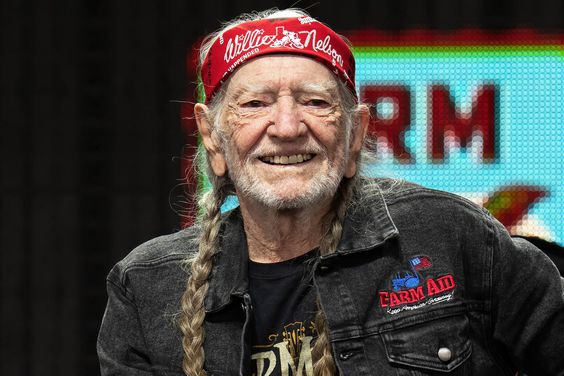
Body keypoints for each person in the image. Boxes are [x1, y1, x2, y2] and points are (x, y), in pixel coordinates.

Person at [97, 8, 564, 376]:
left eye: (316, 103)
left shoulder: (451, 236)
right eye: (255, 103)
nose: (286, 127)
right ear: (213, 137)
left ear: (355, 135)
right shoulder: (145, 288)